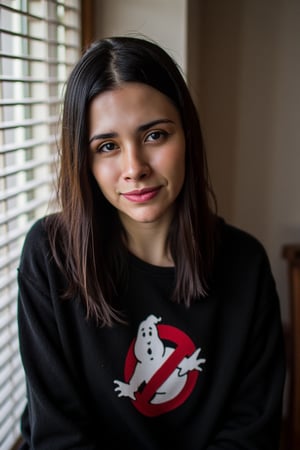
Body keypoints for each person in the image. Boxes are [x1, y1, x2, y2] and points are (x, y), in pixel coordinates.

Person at [17, 36, 286, 449]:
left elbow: (251, 433)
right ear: (83, 161)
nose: (134, 168)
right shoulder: (50, 257)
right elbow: (57, 436)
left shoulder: (246, 264)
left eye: (155, 136)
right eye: (107, 146)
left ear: (187, 137)